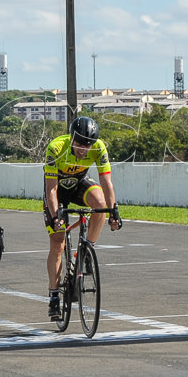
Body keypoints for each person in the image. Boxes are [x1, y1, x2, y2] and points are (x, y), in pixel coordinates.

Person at [43, 115, 121, 320]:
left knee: (101, 204)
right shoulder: (55, 148)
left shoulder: (99, 148)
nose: (83, 149)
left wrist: (114, 211)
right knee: (58, 242)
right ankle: (53, 296)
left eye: (88, 145)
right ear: (71, 138)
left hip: (79, 184)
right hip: (57, 190)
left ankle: (87, 249)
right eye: (79, 144)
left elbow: (107, 183)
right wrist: (55, 217)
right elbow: (51, 189)